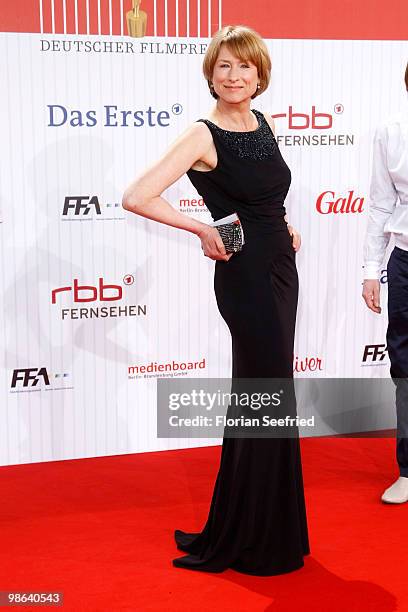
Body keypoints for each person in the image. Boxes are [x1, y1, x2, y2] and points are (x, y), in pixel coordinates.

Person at [123, 25, 309, 574]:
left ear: (260, 75)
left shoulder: (263, 122)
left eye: (245, 67)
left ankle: (243, 523)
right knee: (267, 398)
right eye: (224, 66)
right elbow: (137, 195)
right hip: (245, 274)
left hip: (279, 266)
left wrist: (286, 227)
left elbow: (264, 195)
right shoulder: (202, 135)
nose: (235, 76)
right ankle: (254, 536)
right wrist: (202, 229)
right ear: (211, 73)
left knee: (266, 396)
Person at [362, 62, 408, 504]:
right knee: (407, 371)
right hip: (406, 264)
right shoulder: (390, 132)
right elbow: (379, 205)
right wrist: (370, 270)